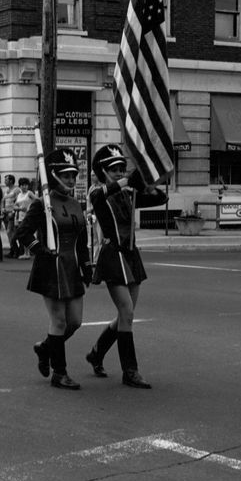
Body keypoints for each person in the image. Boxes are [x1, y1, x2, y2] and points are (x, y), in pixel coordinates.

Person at [84, 145, 167, 389]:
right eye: (114, 169)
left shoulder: (128, 194)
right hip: (112, 255)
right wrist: (124, 183)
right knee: (127, 312)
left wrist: (147, 184)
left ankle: (97, 353)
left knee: (125, 314)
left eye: (122, 168)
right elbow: (97, 197)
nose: (120, 173)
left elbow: (161, 199)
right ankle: (130, 371)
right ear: (103, 172)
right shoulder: (97, 191)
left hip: (130, 255)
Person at [15, 148, 92, 390]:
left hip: (72, 267)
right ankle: (60, 373)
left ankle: (45, 347)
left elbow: (82, 240)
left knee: (75, 322)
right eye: (66, 175)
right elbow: (22, 233)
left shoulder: (76, 204)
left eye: (74, 175)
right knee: (59, 321)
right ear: (53, 175)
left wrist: (87, 266)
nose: (71, 179)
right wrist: (40, 250)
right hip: (51, 267)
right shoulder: (41, 204)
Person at [12, 177, 34, 260]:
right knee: (22, 235)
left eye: (26, 185)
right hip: (20, 217)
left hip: (28, 217)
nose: (24, 187)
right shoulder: (19, 195)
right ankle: (26, 252)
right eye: (22, 185)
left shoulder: (29, 193)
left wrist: (30, 208)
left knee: (26, 234)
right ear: (20, 186)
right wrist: (19, 209)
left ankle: (27, 253)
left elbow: (37, 200)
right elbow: (14, 205)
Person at [2, 174, 21, 258]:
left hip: (12, 213)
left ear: (11, 181)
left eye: (6, 180)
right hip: (6, 213)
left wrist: (13, 211)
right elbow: (3, 200)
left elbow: (18, 201)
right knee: (9, 232)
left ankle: (16, 250)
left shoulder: (16, 190)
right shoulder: (6, 190)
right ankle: (13, 249)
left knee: (10, 231)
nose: (4, 181)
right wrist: (2, 209)